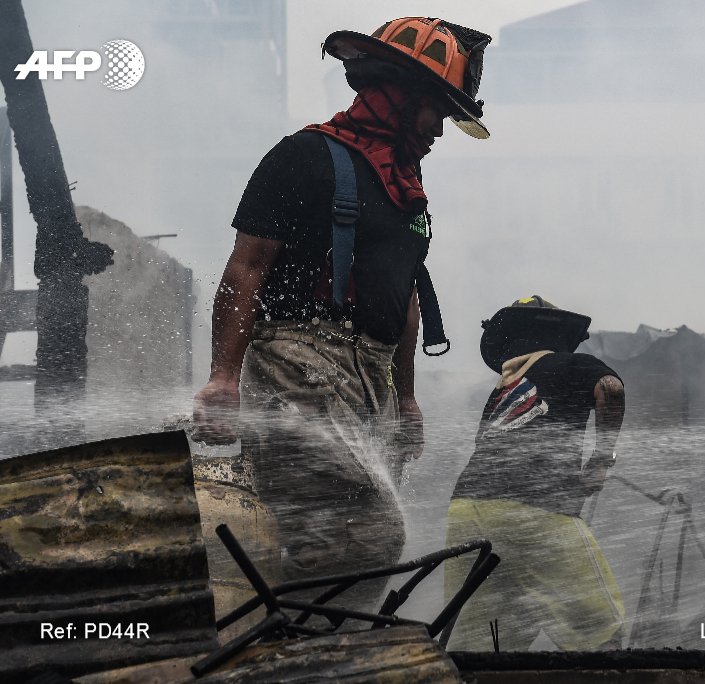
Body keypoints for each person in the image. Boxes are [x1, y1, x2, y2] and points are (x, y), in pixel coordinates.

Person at [191, 17, 492, 609]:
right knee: (363, 533)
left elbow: (404, 299)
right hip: (300, 362)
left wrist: (406, 399)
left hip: (370, 377)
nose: (440, 130)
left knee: (333, 540)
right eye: (436, 111)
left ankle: (290, 637)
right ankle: (316, 646)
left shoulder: (404, 187)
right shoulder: (304, 157)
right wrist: (224, 377)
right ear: (400, 95)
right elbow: (246, 268)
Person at [445, 296, 627, 650]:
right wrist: (601, 461)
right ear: (558, 334)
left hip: (466, 512)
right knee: (600, 633)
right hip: (534, 510)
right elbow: (612, 389)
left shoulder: (501, 392)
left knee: (489, 644)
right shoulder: (571, 363)